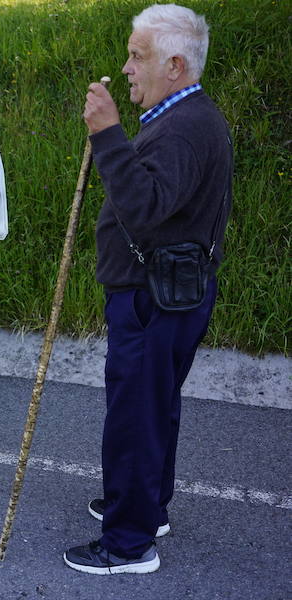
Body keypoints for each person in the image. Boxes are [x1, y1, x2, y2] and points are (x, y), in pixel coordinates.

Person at [64, 4, 233, 574]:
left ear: (175, 66)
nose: (128, 67)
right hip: (166, 294)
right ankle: (145, 506)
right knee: (154, 406)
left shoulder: (184, 129)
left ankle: (129, 544)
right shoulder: (182, 116)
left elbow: (144, 207)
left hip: (153, 299)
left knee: (136, 416)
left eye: (139, 56)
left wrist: (107, 134)